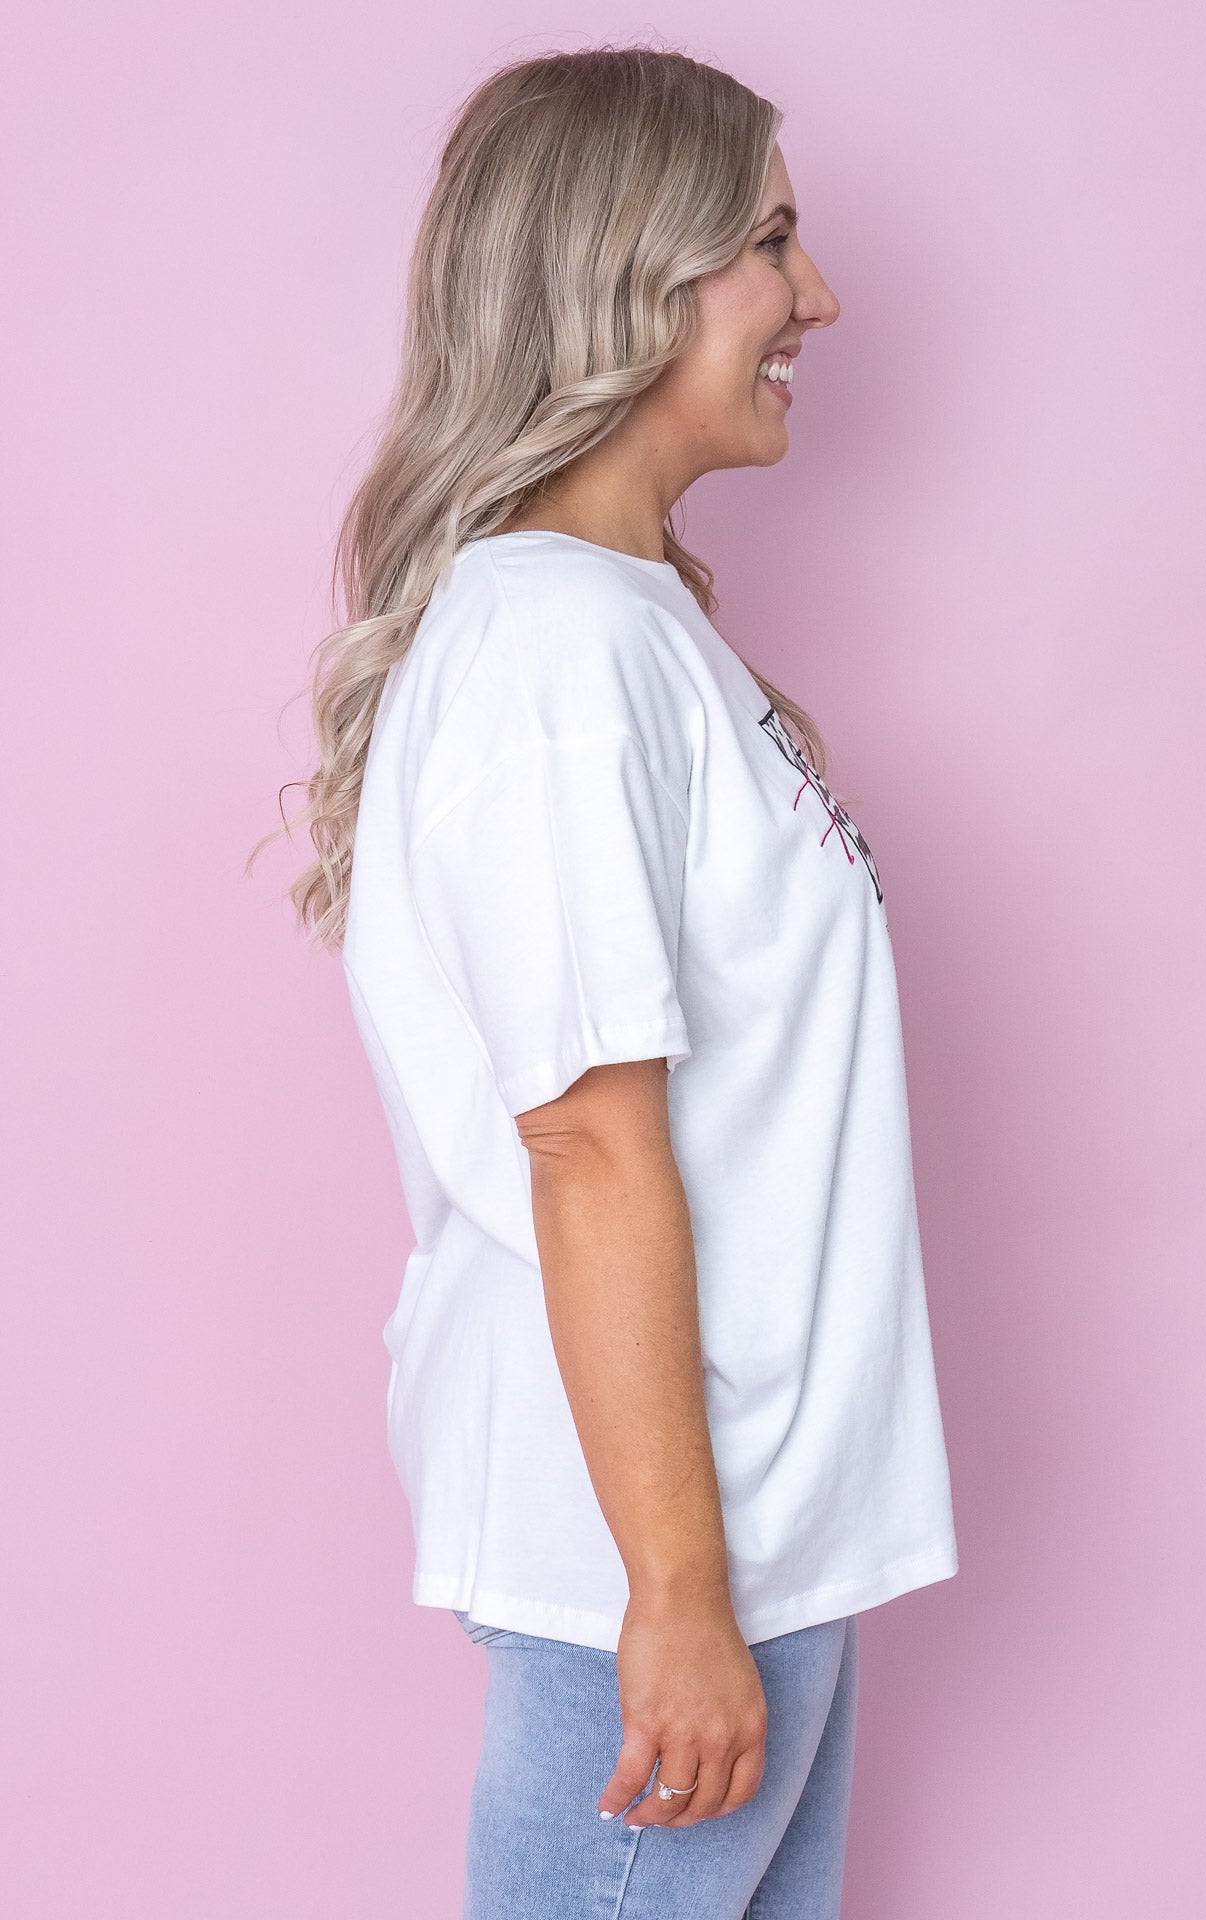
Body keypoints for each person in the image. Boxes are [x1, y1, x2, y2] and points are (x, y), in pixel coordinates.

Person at [279, 44, 958, 1920]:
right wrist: (672, 1592)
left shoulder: (630, 625)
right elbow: (583, 1140)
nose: (819, 297)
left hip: (746, 1524)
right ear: (626, 274)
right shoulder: (553, 650)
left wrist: (716, 1578)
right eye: (770, 243)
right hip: (653, 1548)